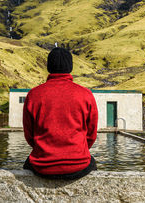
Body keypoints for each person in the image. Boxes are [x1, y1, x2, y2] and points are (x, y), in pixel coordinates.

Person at [22, 47, 98, 180]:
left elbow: (29, 135)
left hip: (42, 165)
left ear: (48, 66)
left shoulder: (34, 94)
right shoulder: (85, 94)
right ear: (70, 67)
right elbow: (91, 135)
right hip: (78, 164)